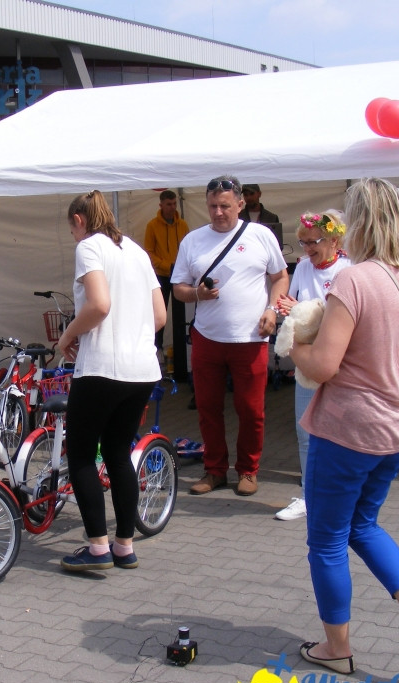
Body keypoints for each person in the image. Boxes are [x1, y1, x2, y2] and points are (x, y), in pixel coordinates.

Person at [287, 177, 399, 677]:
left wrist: (294, 346)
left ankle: (338, 647)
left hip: (349, 430)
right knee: (364, 525)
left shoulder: (355, 280)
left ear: (361, 225)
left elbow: (325, 364)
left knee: (327, 539)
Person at [57, 191, 166, 572]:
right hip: (141, 370)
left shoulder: (89, 248)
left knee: (83, 455)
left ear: (80, 221)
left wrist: (68, 335)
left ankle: (98, 547)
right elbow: (159, 316)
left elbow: (99, 305)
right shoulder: (136, 251)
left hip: (102, 367)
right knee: (119, 455)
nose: (73, 235)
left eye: (71, 228)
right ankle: (124, 545)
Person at [172, 175, 288, 497]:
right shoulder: (193, 240)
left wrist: (272, 310)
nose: (219, 212)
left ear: (240, 204)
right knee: (208, 408)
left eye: (225, 206)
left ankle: (248, 470)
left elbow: (279, 277)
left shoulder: (261, 235)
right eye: (212, 206)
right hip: (208, 337)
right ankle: (215, 470)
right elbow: (179, 289)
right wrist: (197, 293)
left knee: (251, 410)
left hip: (250, 338)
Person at [273, 210, 351, 521]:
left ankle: (343, 494)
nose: (307, 249)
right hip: (308, 362)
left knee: (342, 431)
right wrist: (287, 309)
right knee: (305, 429)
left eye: (313, 242)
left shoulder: (349, 270)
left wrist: (303, 310)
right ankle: (309, 494)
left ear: (335, 240)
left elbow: (342, 318)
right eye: (303, 243)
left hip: (341, 363)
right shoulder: (304, 267)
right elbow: (291, 307)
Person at [143, 189, 190, 381]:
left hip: (179, 276)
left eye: (174, 204)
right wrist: (165, 265)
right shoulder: (152, 226)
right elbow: (149, 252)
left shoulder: (183, 225)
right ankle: (157, 353)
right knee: (159, 317)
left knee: (181, 317)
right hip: (161, 276)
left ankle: (182, 358)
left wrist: (180, 267)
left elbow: (188, 249)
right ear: (161, 205)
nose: (172, 207)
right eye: (168, 204)